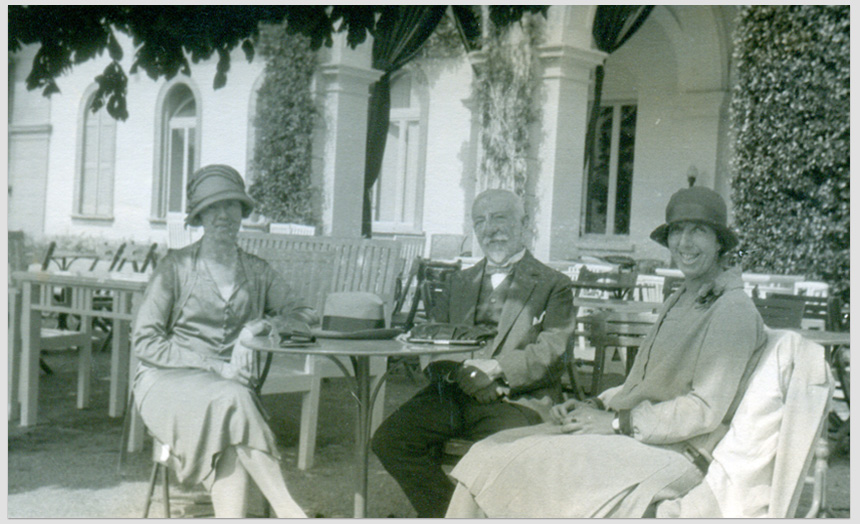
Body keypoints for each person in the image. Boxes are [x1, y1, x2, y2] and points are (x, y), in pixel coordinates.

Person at [445, 186, 768, 518]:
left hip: (675, 452)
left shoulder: (733, 310)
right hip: (634, 436)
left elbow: (703, 411)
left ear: (720, 242)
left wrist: (615, 422)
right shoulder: (679, 298)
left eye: (698, 231)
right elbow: (641, 383)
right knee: (487, 454)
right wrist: (594, 404)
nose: (685, 243)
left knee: (529, 466)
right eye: (677, 231)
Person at [371, 189, 575, 517]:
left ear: (524, 224)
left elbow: (554, 351)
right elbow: (432, 343)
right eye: (480, 221)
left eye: (499, 218)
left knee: (508, 457)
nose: (490, 228)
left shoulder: (554, 284)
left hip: (516, 400)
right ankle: (447, 514)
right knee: (389, 440)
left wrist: (495, 369)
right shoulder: (459, 283)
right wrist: (463, 377)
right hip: (455, 394)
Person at [132, 164, 314, 518]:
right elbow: (145, 341)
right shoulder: (176, 268)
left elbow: (305, 315)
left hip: (227, 392)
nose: (223, 215)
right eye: (213, 207)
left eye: (232, 205)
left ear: (242, 212)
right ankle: (289, 510)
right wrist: (216, 366)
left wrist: (257, 328)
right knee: (233, 397)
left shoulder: (257, 271)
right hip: (166, 381)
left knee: (229, 422)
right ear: (199, 216)